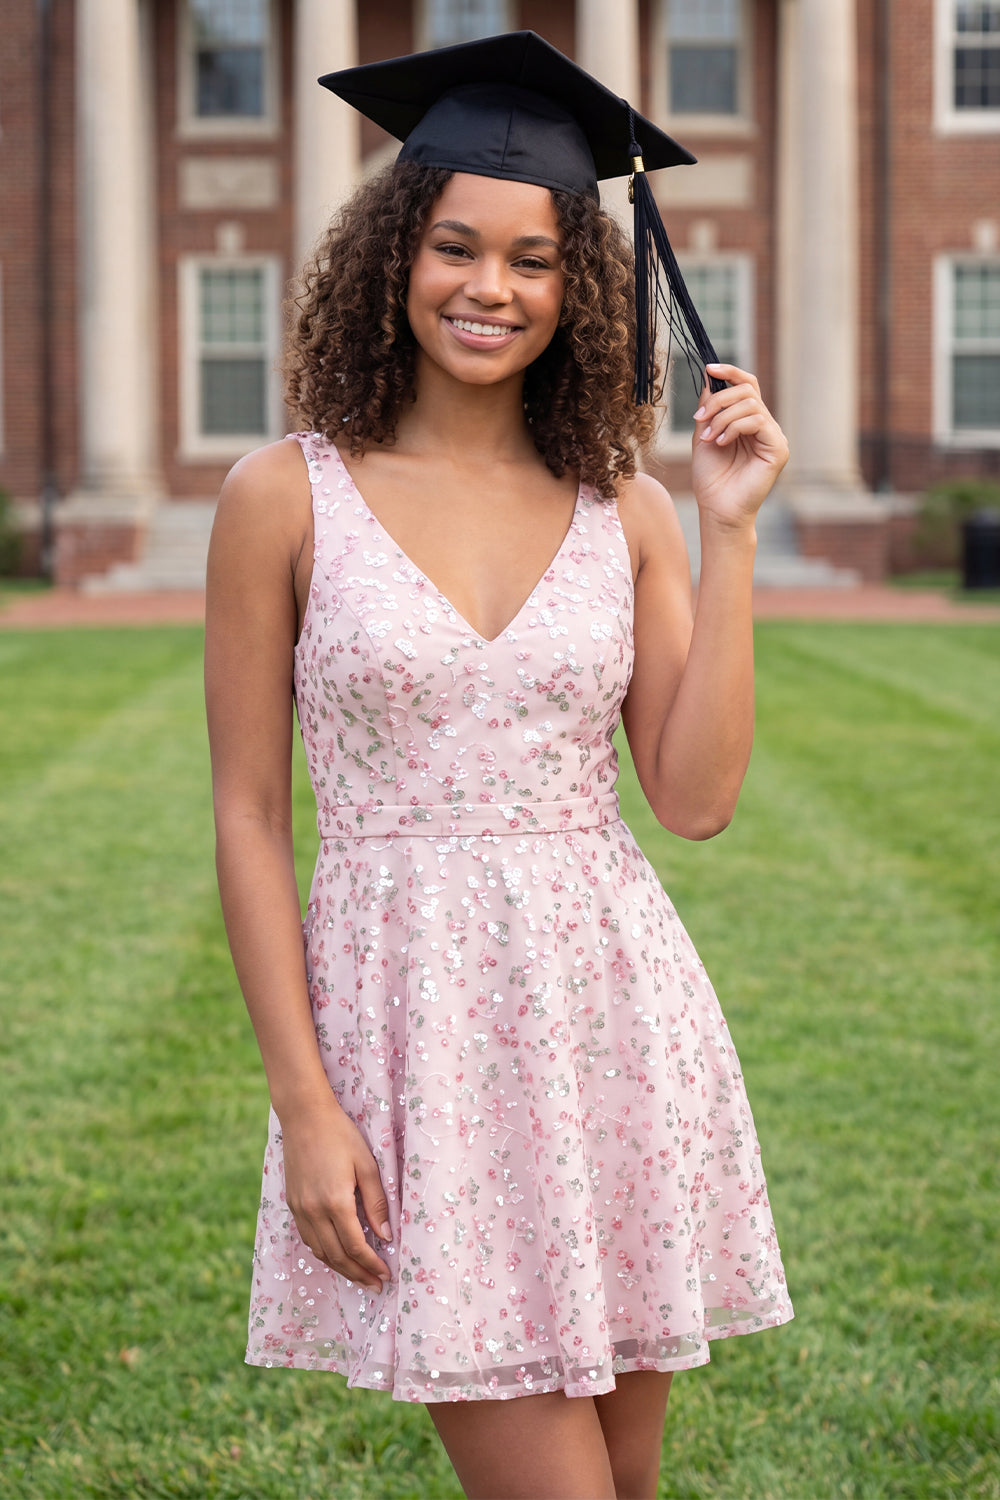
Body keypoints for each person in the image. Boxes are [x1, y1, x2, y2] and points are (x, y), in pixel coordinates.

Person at [205, 31, 793, 1500]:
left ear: (577, 283)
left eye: (534, 259)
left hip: (613, 1026)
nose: (491, 287)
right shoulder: (284, 498)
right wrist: (306, 1105)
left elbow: (696, 799)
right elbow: (249, 817)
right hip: (417, 1045)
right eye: (457, 247)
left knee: (627, 1484)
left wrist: (727, 532)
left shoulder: (623, 509)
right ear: (395, 255)